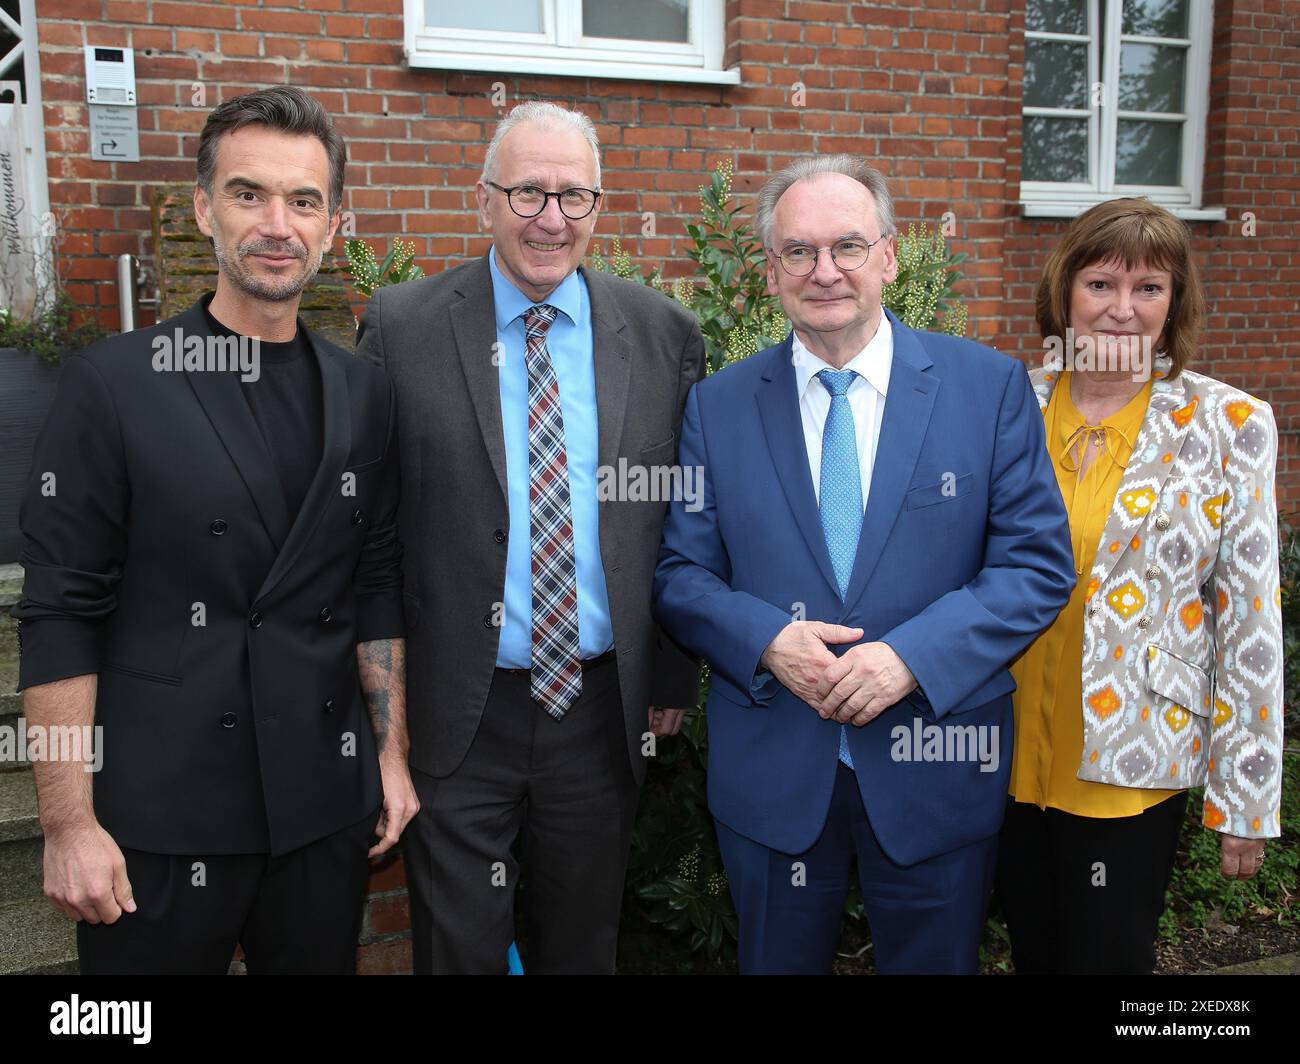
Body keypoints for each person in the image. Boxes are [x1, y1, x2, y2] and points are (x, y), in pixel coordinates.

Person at [13, 86, 417, 974]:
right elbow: (57, 614)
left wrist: (389, 757)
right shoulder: (114, 386)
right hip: (151, 826)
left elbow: (374, 583)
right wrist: (68, 822)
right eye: (249, 194)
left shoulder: (365, 395)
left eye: (304, 200)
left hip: (318, 811)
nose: (279, 224)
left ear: (336, 222)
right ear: (204, 208)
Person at [652, 155, 1075, 974]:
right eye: (798, 252)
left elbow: (1035, 564)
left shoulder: (986, 388)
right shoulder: (718, 404)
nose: (825, 271)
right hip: (775, 774)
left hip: (937, 771)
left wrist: (912, 658)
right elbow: (680, 574)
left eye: (847, 245)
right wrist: (769, 641)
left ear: (888, 256)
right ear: (771, 270)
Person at [356, 101, 704, 974]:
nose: (552, 218)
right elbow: (373, 534)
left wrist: (667, 672)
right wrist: (386, 722)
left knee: (581, 949)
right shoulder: (401, 328)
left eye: (574, 196)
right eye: (528, 192)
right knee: (459, 953)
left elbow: (680, 522)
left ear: (598, 206)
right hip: (457, 716)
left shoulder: (663, 336)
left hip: (598, 711)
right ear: (484, 201)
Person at [995, 197, 1284, 974]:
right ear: (1063, 294)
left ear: (1174, 303)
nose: (1122, 310)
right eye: (1100, 284)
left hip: (1131, 763)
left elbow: (1250, 619)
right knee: (1031, 952)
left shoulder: (1231, 424)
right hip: (1000, 745)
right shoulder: (1004, 406)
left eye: (1149, 288)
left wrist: (1245, 799)